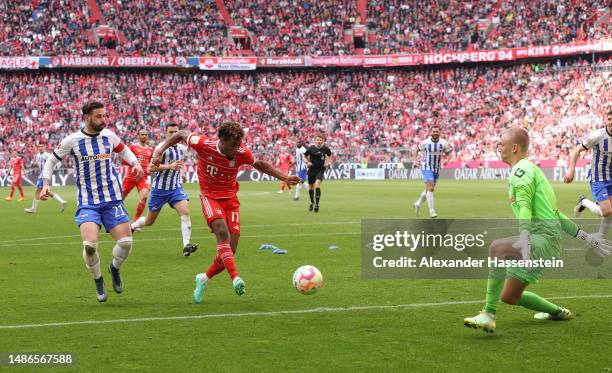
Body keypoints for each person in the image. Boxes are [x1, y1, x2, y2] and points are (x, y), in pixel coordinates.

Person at [463, 128, 611, 333]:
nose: (499, 147)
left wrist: (524, 237)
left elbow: (524, 206)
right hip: (546, 240)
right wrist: (588, 239)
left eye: (502, 144)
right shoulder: (533, 170)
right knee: (510, 297)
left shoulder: (521, 170)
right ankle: (557, 312)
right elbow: (556, 215)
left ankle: (488, 314)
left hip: (540, 240)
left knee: (497, 248)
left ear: (514, 147)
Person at [150, 120, 301, 303]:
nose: (236, 149)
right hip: (210, 197)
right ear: (221, 140)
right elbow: (181, 134)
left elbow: (259, 164)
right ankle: (235, 278)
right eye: (232, 145)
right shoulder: (204, 144)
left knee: (231, 249)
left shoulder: (241, 152)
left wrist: (285, 177)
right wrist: (159, 151)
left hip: (230, 200)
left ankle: (203, 278)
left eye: (238, 145)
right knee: (222, 232)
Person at [40, 101, 144, 302]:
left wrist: (135, 163)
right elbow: (51, 161)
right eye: (99, 116)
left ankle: (114, 268)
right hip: (88, 202)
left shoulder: (109, 136)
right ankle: (98, 279)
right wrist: (46, 183)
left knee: (126, 242)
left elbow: (124, 150)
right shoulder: (73, 140)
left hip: (112, 199)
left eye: (105, 116)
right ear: (87, 118)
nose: (103, 120)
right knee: (90, 245)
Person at [130, 124, 198, 257]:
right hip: (159, 190)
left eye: (176, 132)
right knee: (149, 221)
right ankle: (132, 227)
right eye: (171, 132)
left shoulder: (182, 148)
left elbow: (180, 163)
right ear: (166, 133)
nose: (173, 134)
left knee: (185, 212)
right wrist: (169, 166)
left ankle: (186, 246)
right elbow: (151, 169)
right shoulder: (161, 149)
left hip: (175, 189)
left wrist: (182, 172)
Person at [566, 108, 612, 238]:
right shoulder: (597, 136)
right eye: (609, 119)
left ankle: (600, 235)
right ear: (606, 120)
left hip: (611, 177)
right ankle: (584, 201)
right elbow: (576, 151)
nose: (611, 122)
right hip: (598, 177)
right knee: (607, 211)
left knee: (609, 211)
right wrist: (571, 170)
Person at [413, 125, 453, 218]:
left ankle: (418, 203)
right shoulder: (425, 142)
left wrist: (447, 159)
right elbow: (416, 150)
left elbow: (449, 152)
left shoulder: (444, 143)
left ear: (440, 132)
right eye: (433, 131)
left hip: (437, 169)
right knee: (431, 188)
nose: (435, 133)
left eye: (437, 131)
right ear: (431, 132)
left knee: (428, 189)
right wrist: (415, 161)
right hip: (426, 167)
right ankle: (432, 211)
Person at [24, 142, 67, 213]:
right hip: (42, 174)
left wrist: (53, 169)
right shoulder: (38, 155)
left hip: (45, 175)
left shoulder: (47, 155)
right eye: (39, 146)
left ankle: (33, 209)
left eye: (42, 146)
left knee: (38, 191)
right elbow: (39, 164)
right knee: (47, 192)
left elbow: (58, 163)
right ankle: (62, 201)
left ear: (44, 147)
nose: (40, 148)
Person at [122, 128, 154, 221]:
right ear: (138, 136)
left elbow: (152, 163)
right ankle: (121, 217)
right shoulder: (133, 147)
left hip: (143, 178)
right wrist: (134, 165)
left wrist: (149, 168)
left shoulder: (150, 150)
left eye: (146, 135)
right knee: (120, 199)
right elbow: (124, 160)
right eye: (142, 134)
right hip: (130, 176)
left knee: (144, 197)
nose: (144, 136)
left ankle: (135, 220)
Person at [303, 135, 332, 212]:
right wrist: (307, 162)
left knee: (317, 184)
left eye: (320, 140)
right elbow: (304, 156)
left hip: (320, 170)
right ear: (315, 141)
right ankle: (312, 202)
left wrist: (327, 162)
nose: (319, 141)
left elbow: (330, 155)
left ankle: (317, 205)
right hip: (311, 170)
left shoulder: (325, 148)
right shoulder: (311, 148)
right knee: (311, 187)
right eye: (317, 140)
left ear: (323, 141)